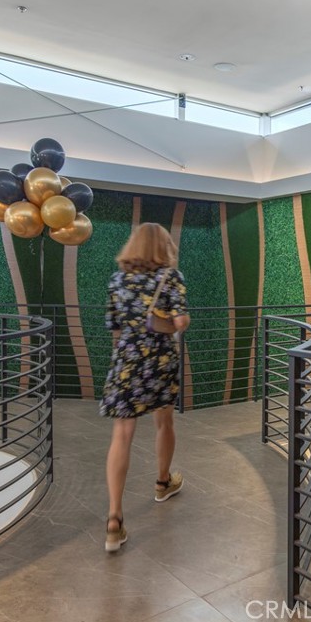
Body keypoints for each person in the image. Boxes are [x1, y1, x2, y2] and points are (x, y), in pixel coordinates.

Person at [100, 223, 190, 553]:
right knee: (164, 422)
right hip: (160, 361)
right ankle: (163, 482)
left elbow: (113, 325)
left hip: (126, 360)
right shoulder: (171, 277)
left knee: (121, 435)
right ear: (162, 246)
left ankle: (114, 519)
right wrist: (176, 320)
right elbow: (180, 322)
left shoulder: (118, 280)